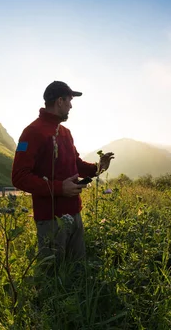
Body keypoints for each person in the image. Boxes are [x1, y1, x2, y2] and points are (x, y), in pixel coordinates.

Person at [12, 81, 114, 264]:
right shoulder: (31, 132)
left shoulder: (65, 132)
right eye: (69, 100)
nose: (71, 105)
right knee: (53, 276)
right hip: (50, 220)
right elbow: (19, 177)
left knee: (77, 271)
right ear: (60, 101)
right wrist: (59, 188)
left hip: (74, 215)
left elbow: (76, 164)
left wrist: (98, 168)